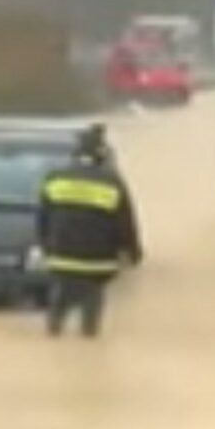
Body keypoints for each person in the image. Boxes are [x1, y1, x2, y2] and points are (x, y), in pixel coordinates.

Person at [37, 131, 142, 338]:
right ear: (103, 156)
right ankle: (88, 336)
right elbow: (125, 223)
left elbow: (42, 219)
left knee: (60, 298)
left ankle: (54, 330)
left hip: (60, 257)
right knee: (92, 302)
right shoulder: (112, 182)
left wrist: (45, 247)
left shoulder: (53, 178)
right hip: (98, 261)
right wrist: (133, 253)